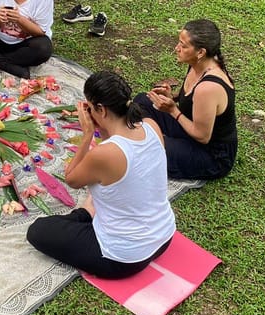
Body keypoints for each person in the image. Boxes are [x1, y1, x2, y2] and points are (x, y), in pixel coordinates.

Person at [27, 71, 174, 279]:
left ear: (101, 110)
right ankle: (88, 213)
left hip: (124, 258)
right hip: (164, 237)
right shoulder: (151, 126)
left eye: (90, 108)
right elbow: (119, 144)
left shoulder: (105, 154)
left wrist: (87, 135)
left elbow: (71, 178)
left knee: (39, 230)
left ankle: (85, 214)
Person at [135, 19, 237, 180]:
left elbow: (202, 136)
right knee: (142, 100)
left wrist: (173, 110)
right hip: (189, 127)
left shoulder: (209, 87)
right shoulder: (198, 63)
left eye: (183, 45)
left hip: (211, 154)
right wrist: (173, 96)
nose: (177, 48)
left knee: (147, 149)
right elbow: (191, 97)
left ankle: (155, 139)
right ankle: (157, 137)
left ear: (201, 52)